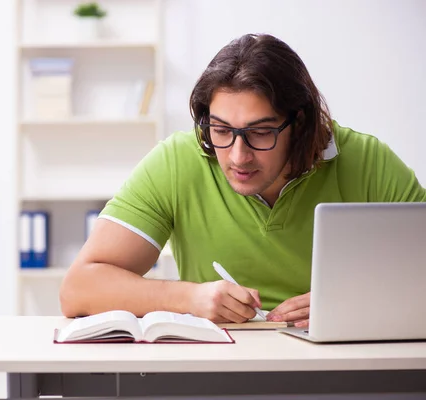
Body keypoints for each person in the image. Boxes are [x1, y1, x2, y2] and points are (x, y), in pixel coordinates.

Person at [59, 33, 426, 328]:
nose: (238, 156)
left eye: (261, 132)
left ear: (299, 124)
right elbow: (79, 289)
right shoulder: (177, 160)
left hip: (343, 372)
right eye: (221, 130)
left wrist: (356, 303)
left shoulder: (366, 161)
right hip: (219, 374)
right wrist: (189, 298)